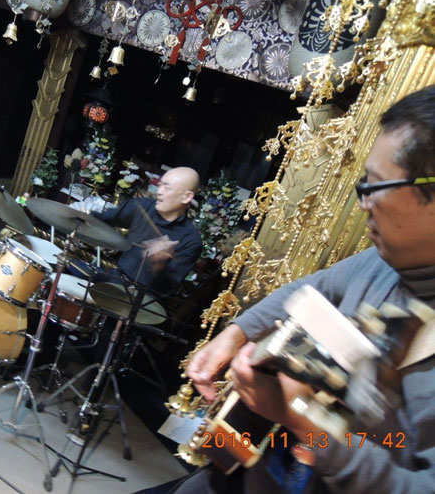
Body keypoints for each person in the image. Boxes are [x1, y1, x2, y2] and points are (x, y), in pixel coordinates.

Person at [172, 85, 435, 493]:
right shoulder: (386, 259)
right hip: (247, 471)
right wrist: (236, 334)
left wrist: (303, 419)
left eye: (374, 186)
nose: (362, 202)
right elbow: (311, 290)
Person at [90, 166, 203, 296]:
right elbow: (104, 218)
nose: (159, 192)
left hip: (143, 297)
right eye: (160, 185)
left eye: (167, 188)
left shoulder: (191, 240)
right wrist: (79, 218)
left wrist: (158, 264)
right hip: (116, 278)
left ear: (186, 197)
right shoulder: (142, 206)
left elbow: (168, 287)